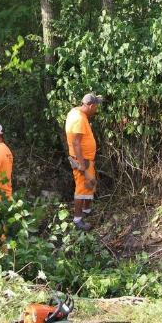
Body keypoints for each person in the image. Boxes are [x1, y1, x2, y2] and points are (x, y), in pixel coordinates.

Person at [65, 93, 103, 231]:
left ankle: (87, 211)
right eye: (96, 106)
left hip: (87, 159)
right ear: (91, 106)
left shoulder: (75, 112)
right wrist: (81, 164)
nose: (97, 109)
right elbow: (76, 143)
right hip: (82, 160)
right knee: (81, 189)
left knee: (90, 184)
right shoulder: (79, 119)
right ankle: (77, 220)